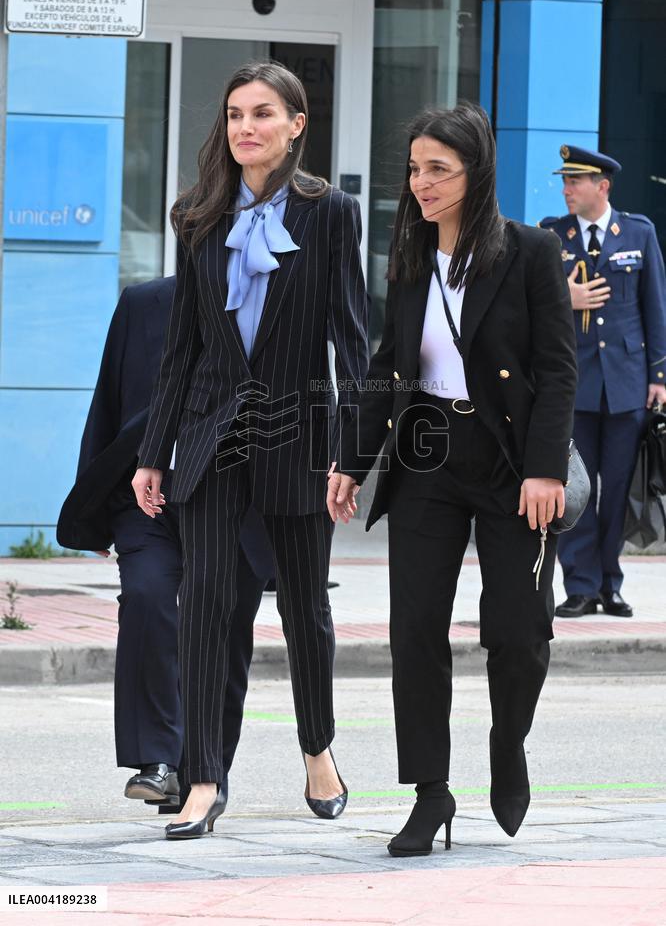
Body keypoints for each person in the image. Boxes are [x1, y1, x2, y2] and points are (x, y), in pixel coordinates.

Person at [328, 102, 577, 854]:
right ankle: (430, 793)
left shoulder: (530, 253)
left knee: (518, 630)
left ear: (477, 172)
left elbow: (558, 369)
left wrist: (544, 468)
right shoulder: (407, 256)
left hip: (509, 461)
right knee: (413, 632)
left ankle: (508, 743)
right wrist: (351, 461)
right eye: (414, 168)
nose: (422, 182)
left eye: (439, 168)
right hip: (427, 455)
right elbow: (386, 366)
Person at [132, 62, 369, 840]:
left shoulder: (331, 212)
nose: (245, 128)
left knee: (305, 604)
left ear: (297, 124)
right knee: (204, 603)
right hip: (206, 431)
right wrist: (153, 450)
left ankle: (317, 749)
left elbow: (351, 339)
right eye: (235, 113)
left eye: (263, 114)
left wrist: (351, 451)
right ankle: (205, 776)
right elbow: (182, 347)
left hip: (297, 430)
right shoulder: (196, 213)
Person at [57, 276, 272, 814]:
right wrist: (94, 512)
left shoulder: (271, 300)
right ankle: (157, 761)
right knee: (149, 598)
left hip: (235, 496)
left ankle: (206, 771)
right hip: (145, 492)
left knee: (223, 630)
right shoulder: (142, 302)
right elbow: (109, 401)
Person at [539, 146, 666, 619]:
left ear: (603, 186)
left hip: (627, 386)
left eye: (575, 181)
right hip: (571, 387)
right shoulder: (551, 235)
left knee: (616, 490)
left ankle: (610, 583)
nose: (566, 189)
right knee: (574, 491)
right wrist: (564, 298)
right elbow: (531, 305)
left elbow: (655, 307)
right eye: (564, 181)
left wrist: (660, 376)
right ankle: (580, 586)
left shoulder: (638, 232)